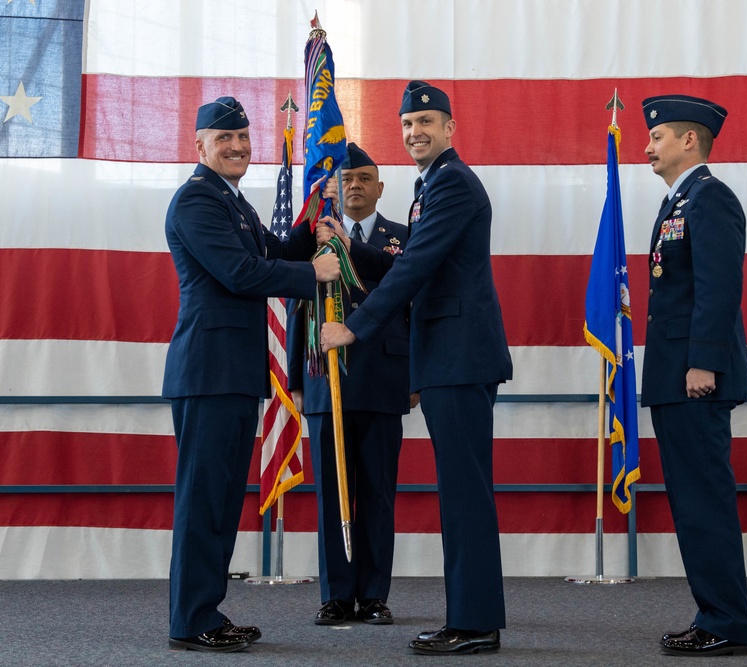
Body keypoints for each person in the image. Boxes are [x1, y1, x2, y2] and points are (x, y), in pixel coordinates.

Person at [321, 81, 512, 655]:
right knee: (459, 492)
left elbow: (418, 266)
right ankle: (470, 617)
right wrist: (352, 250)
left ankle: (474, 623)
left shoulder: (451, 182)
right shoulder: (430, 186)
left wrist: (355, 326)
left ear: (451, 128)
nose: (415, 132)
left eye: (426, 121)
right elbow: (409, 258)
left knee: (465, 494)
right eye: (407, 125)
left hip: (459, 356)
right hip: (448, 358)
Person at [162, 96, 340, 653]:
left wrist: (311, 221)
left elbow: (275, 250)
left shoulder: (234, 203)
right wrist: (312, 272)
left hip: (234, 374)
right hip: (208, 373)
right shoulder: (197, 201)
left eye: (243, 136)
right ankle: (191, 620)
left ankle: (205, 612)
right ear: (199, 145)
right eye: (224, 138)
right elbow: (241, 273)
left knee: (219, 500)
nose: (238, 146)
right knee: (203, 501)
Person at [639, 94, 747, 657]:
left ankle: (728, 621)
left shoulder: (710, 198)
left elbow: (718, 286)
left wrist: (703, 362)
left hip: (695, 377)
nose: (647, 146)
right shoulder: (678, 202)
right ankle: (716, 614)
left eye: (657, 136)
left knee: (704, 502)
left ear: (690, 140)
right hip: (676, 376)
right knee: (692, 504)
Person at [286, 142, 412, 626]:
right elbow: (301, 304)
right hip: (325, 379)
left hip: (382, 378)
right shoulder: (316, 238)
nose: (354, 185)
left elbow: (413, 309)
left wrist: (414, 375)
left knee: (378, 493)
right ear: (333, 188)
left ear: (380, 188)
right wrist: (298, 378)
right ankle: (337, 595)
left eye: (364, 178)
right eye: (346, 178)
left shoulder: (403, 239)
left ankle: (374, 595)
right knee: (332, 491)